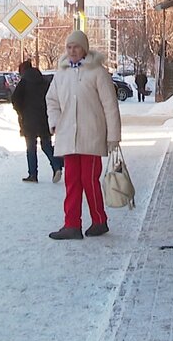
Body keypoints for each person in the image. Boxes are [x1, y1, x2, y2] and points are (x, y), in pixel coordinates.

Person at [45, 30, 122, 240]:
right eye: (69, 47)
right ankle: (71, 225)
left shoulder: (97, 72)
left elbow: (110, 106)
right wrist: (55, 123)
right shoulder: (61, 74)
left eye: (76, 47)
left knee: (89, 180)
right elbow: (51, 100)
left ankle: (99, 221)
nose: (72, 51)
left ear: (84, 49)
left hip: (91, 136)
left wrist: (113, 137)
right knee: (72, 182)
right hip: (68, 137)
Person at [12, 60, 63, 183]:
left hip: (29, 120)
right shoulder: (44, 81)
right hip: (44, 118)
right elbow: (52, 98)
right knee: (46, 145)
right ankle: (56, 166)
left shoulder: (24, 82)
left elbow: (15, 99)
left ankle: (33, 175)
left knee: (31, 148)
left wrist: (21, 112)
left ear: (22, 71)